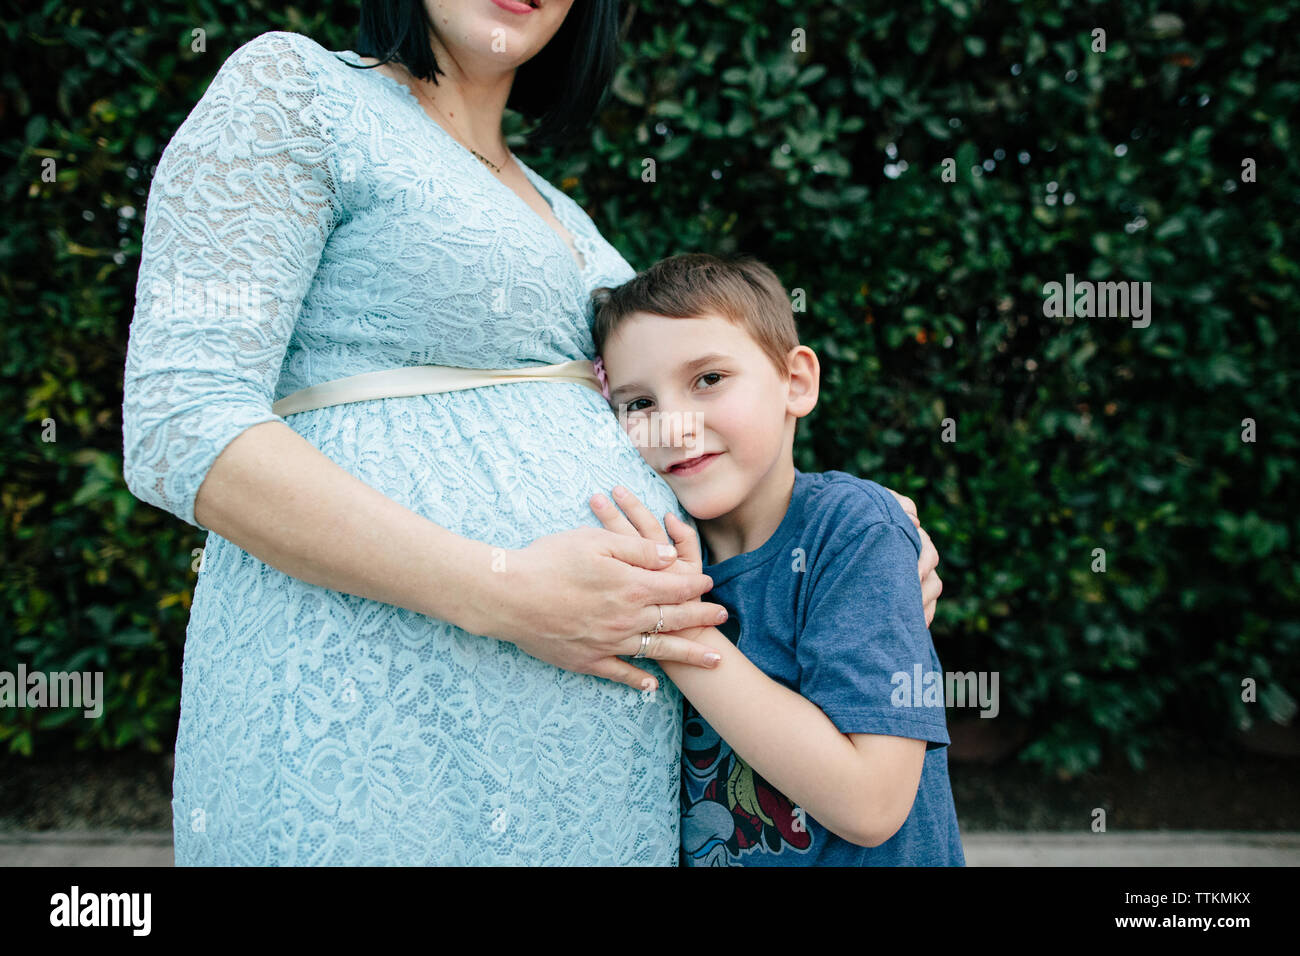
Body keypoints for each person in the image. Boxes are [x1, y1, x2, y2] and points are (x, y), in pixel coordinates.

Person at [121, 1, 943, 865]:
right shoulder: (296, 89)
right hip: (375, 732)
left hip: (601, 796)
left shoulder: (562, 211)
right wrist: (506, 593)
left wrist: (847, 529)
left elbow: (691, 430)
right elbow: (182, 420)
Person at [588, 253, 963, 865]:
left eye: (708, 379)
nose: (673, 427)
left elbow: (872, 804)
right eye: (638, 403)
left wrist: (673, 626)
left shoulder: (850, 532)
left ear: (796, 382)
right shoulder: (666, 549)